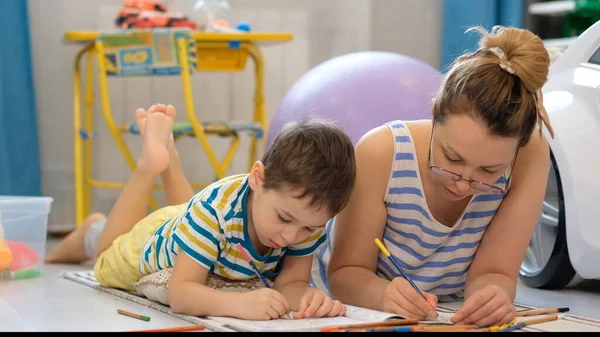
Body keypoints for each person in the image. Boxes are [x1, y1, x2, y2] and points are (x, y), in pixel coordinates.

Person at [310, 25, 554, 327]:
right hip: (345, 308)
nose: (463, 183)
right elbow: (346, 272)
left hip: (442, 315)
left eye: (489, 171)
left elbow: (495, 273)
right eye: (452, 157)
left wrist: (492, 298)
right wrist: (383, 293)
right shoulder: (382, 152)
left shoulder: (530, 156)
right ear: (434, 112)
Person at [47, 104, 357, 320]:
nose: (291, 237)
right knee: (103, 255)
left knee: (193, 215)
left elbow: (289, 284)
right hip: (151, 241)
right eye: (284, 219)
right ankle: (148, 168)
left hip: (193, 224)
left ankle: (169, 155)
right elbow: (181, 295)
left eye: (308, 229)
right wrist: (239, 304)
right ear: (258, 178)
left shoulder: (303, 213)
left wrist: (307, 298)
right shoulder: (215, 212)